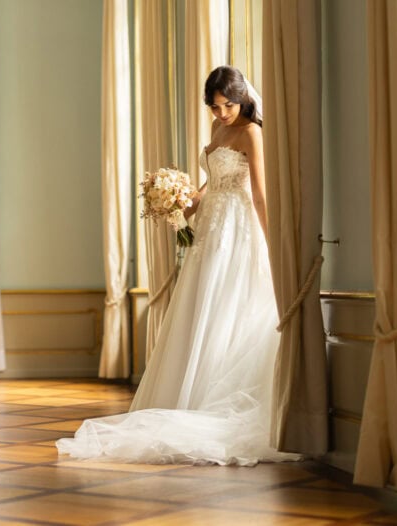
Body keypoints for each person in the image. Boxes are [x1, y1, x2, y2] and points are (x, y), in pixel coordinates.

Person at [56, 66, 301, 466]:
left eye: (227, 105)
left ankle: (214, 397)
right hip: (211, 227)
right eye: (215, 106)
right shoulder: (218, 131)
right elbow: (211, 186)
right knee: (201, 306)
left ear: (241, 99)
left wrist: (275, 244)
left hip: (238, 229)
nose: (221, 113)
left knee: (229, 305)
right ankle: (190, 396)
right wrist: (181, 198)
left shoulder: (251, 131)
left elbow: (258, 192)